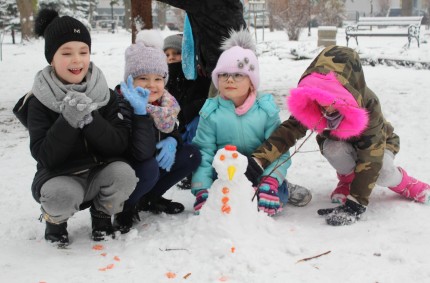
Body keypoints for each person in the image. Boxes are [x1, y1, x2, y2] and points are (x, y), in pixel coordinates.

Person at [252, 45, 430, 226]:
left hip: (377, 146)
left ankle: (405, 183)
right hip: (342, 143)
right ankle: (348, 180)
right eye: (320, 96)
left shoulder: (368, 104)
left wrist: (356, 202)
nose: (324, 105)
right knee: (333, 148)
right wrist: (258, 160)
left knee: (382, 171)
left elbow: (371, 156)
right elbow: (289, 130)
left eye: (331, 98)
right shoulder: (314, 103)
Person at [12, 9, 138, 246]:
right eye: (66, 53)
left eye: (83, 51)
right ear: (52, 58)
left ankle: (102, 215)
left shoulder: (104, 94)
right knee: (60, 195)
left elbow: (119, 144)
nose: (77, 60)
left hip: (99, 170)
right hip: (61, 176)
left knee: (124, 174)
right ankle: (55, 221)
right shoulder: (39, 101)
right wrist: (69, 119)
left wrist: (90, 118)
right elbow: (45, 156)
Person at [191, 29, 311, 216]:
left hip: (261, 171)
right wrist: (202, 190)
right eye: (223, 75)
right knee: (227, 206)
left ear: (252, 81)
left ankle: (281, 185)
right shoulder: (211, 113)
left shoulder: (265, 110)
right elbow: (204, 152)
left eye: (238, 74)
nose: (229, 79)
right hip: (224, 175)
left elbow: (279, 149)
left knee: (269, 201)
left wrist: (269, 181)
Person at [113, 30, 202, 233]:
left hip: (151, 165)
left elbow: (175, 134)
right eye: (143, 78)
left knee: (191, 154)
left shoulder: (166, 105)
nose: (152, 85)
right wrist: (140, 113)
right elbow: (136, 151)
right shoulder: (121, 105)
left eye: (158, 78)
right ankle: (125, 208)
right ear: (130, 80)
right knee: (149, 166)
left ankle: (149, 199)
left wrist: (172, 141)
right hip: (132, 168)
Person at [157, 0, 246, 97]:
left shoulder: (204, 3)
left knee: (218, 108)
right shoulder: (232, 4)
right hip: (237, 66)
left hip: (224, 72)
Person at [163, 33, 211, 189]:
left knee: (194, 135)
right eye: (167, 54)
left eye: (176, 53)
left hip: (196, 121)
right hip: (180, 124)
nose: (171, 57)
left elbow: (204, 99)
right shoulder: (165, 78)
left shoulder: (196, 75)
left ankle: (196, 172)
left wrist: (190, 109)